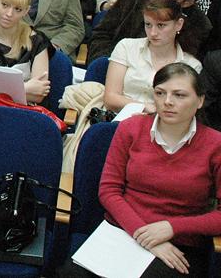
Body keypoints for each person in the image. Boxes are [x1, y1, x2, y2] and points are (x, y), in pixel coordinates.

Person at [62, 63, 220, 277]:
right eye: (160, 93)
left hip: (178, 242)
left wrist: (171, 227)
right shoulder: (131, 128)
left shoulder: (215, 144)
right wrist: (142, 234)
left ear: (200, 100)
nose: (168, 102)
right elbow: (109, 190)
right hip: (123, 231)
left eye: (179, 95)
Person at [89, 0, 211, 64]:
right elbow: (101, 35)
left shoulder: (199, 24)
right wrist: (111, 62)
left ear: (188, 2)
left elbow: (185, 62)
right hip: (116, 63)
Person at [104, 0, 202, 115]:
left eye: (161, 25)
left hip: (160, 124)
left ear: (178, 24)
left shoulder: (191, 65)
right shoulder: (127, 47)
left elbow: (184, 109)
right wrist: (144, 107)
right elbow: (110, 98)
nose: (153, 33)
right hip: (117, 118)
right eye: (148, 25)